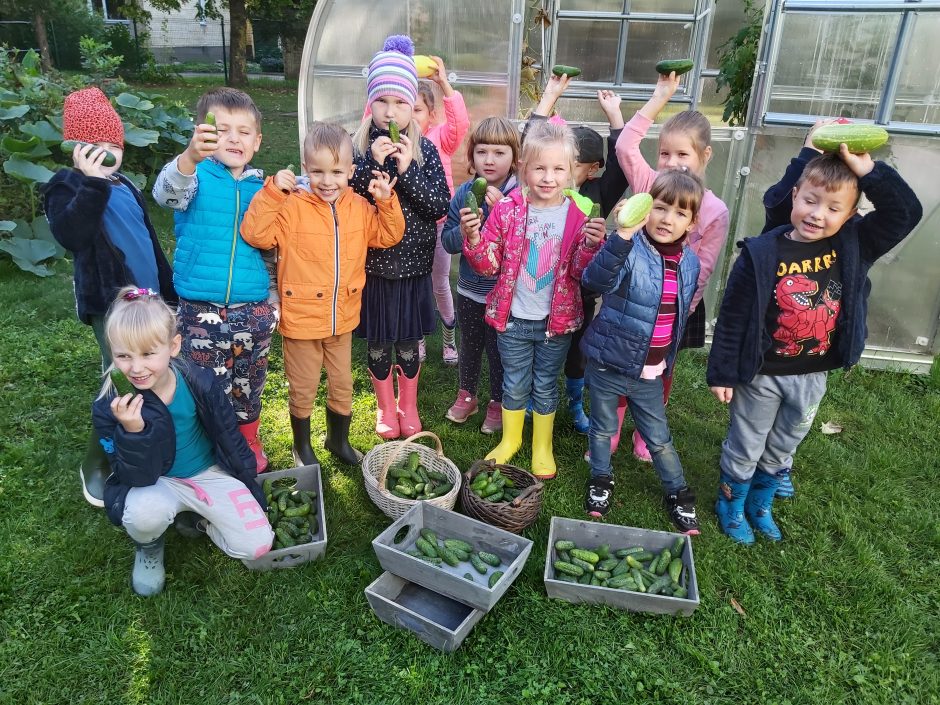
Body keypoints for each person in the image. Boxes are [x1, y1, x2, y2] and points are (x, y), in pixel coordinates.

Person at [707, 148, 922, 544]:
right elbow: (734, 316)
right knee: (747, 441)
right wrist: (722, 371)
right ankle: (731, 503)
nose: (817, 214)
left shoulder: (855, 244)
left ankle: (761, 502)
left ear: (851, 214)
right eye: (809, 200)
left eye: (833, 208)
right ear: (795, 197)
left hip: (811, 375)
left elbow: (905, 213)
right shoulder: (761, 253)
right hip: (762, 374)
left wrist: (869, 171)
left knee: (787, 440)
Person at [42, 86, 176, 508]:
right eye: (92, 146)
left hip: (150, 300)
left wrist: (169, 291)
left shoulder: (128, 187)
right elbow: (73, 234)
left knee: (156, 372)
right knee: (119, 378)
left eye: (111, 145)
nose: (104, 154)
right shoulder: (66, 187)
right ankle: (100, 457)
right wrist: (92, 184)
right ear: (75, 149)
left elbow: (149, 241)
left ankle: (154, 441)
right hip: (110, 306)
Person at [241, 122, 405, 466]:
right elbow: (256, 234)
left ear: (351, 171)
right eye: (318, 171)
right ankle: (302, 446)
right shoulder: (290, 206)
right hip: (301, 320)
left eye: (336, 172)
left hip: (343, 317)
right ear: (305, 169)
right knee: (303, 387)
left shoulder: (359, 206)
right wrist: (272, 193)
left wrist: (387, 203)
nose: (327, 181)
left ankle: (337, 440)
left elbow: (388, 236)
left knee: (343, 384)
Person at [92, 288, 274, 596]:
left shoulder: (199, 381)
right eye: (123, 356)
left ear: (174, 346)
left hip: (209, 473)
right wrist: (134, 432)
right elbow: (135, 475)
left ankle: (199, 521)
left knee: (257, 545)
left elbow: (228, 433)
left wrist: (245, 476)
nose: (136, 368)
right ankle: (149, 547)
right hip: (157, 482)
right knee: (142, 513)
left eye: (148, 354)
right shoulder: (111, 404)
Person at [462, 120, 605, 479]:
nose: (548, 177)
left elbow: (578, 272)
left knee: (544, 382)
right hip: (512, 320)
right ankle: (511, 440)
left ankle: (542, 445)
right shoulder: (507, 210)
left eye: (559, 169)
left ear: (573, 172)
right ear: (523, 168)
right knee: (514, 380)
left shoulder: (577, 214)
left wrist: (590, 246)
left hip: (554, 324)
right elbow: (488, 267)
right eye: (539, 167)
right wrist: (475, 239)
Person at [152, 87, 278, 472]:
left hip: (253, 310)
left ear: (257, 141)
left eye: (244, 131)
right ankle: (209, 445)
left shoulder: (265, 189)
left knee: (250, 382)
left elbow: (274, 249)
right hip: (200, 311)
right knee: (206, 385)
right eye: (222, 129)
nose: (234, 138)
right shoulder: (194, 179)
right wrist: (190, 157)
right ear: (202, 132)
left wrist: (273, 299)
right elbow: (165, 195)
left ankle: (248, 440)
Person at [613, 70, 730, 461]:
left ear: (704, 156)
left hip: (676, 306)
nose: (672, 163)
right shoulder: (650, 183)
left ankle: (646, 431)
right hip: (631, 300)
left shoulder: (715, 210)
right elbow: (626, 146)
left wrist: (681, 311)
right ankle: (612, 424)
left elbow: (705, 267)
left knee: (660, 370)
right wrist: (659, 97)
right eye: (665, 153)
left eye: (683, 155)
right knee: (620, 362)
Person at [580, 171, 704, 531]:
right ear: (646, 209)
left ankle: (678, 493)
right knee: (602, 430)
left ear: (692, 223)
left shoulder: (690, 263)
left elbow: (676, 314)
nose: (667, 219)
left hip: (650, 370)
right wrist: (621, 237)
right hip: (609, 363)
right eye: (661, 208)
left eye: (680, 213)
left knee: (660, 439)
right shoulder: (629, 247)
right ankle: (601, 479)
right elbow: (594, 282)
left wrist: (667, 360)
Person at [350, 35, 450, 440]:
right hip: (373, 267)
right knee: (378, 343)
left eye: (401, 103)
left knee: (408, 342)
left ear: (414, 107)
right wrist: (368, 166)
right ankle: (385, 408)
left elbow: (437, 205)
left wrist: (407, 169)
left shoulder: (424, 150)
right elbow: (344, 198)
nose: (390, 111)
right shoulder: (357, 148)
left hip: (412, 269)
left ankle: (407, 406)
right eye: (382, 102)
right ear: (370, 104)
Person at [526, 73, 631, 433]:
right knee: (537, 345)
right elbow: (531, 142)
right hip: (540, 288)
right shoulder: (542, 188)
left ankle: (572, 403)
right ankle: (528, 398)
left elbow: (623, 162)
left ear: (593, 168)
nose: (565, 171)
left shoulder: (601, 192)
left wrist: (615, 116)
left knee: (577, 351)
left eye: (575, 164)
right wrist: (550, 96)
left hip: (582, 293)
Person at [440, 117, 520, 434]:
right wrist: (462, 231)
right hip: (471, 290)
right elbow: (447, 241)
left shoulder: (520, 196)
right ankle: (467, 394)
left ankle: (498, 402)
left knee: (500, 351)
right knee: (470, 343)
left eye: (499, 152)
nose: (489, 160)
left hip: (506, 296)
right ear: (471, 155)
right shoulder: (463, 193)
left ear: (515, 157)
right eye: (482, 151)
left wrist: (505, 213)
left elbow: (526, 244)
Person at [412, 57, 470, 366]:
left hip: (437, 225)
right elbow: (372, 116)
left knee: (439, 283)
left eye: (417, 110)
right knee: (415, 284)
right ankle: (418, 339)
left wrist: (443, 84)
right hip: (408, 227)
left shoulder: (440, 139)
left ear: (431, 115)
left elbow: (460, 123)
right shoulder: (393, 141)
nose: (409, 116)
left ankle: (449, 340)